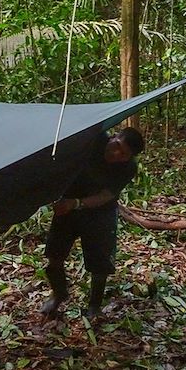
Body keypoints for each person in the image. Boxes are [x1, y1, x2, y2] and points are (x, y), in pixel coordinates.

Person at [38, 127, 145, 319]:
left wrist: (76, 204)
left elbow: (106, 195)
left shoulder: (128, 168)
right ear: (114, 136)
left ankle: (94, 306)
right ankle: (59, 293)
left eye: (124, 154)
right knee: (54, 256)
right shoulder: (93, 140)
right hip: (67, 204)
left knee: (99, 263)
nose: (116, 154)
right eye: (117, 146)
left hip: (99, 213)